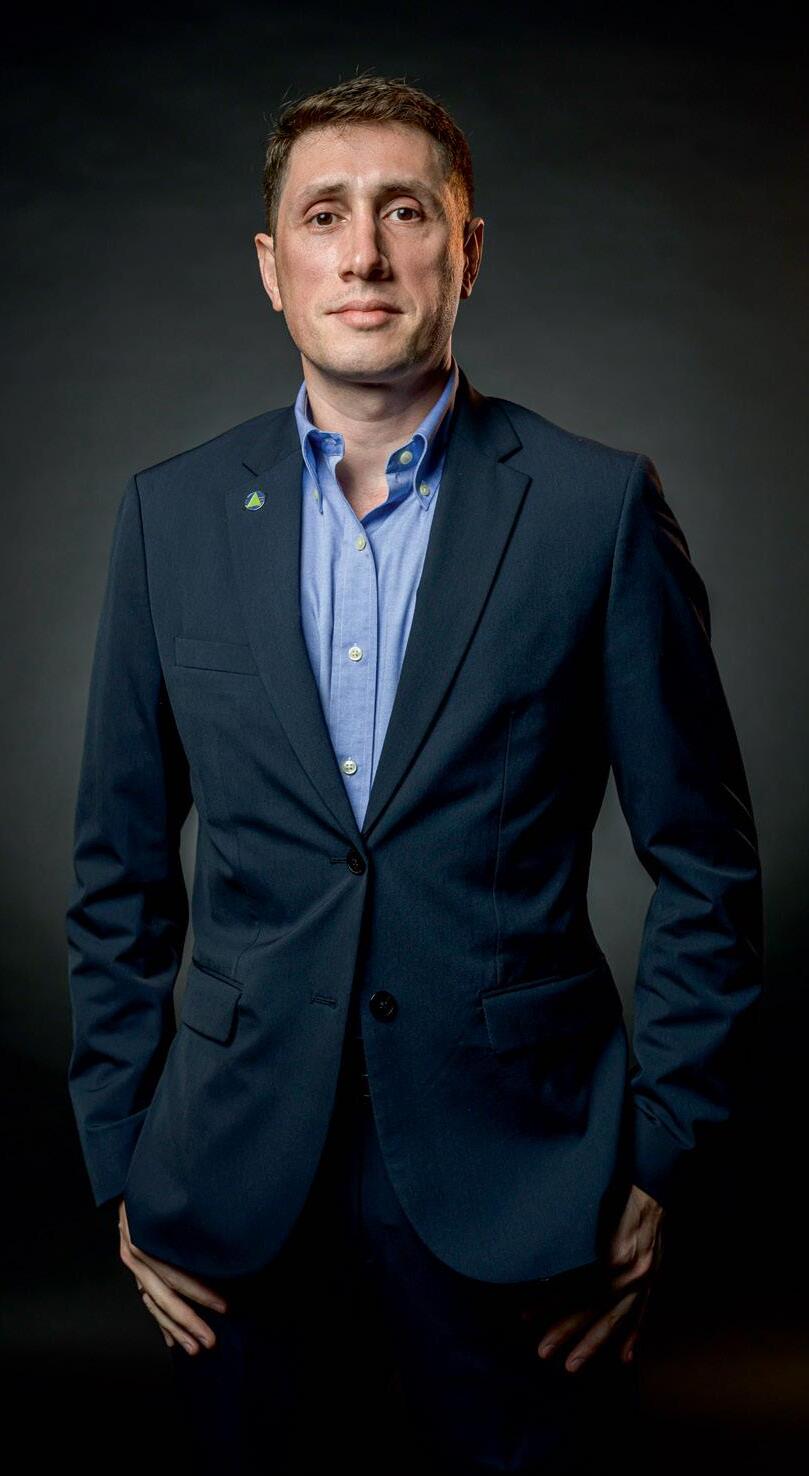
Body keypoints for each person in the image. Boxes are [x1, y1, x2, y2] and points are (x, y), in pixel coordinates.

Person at [65, 73, 763, 1475]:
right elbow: (117, 874)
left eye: (405, 212)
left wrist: (659, 1154)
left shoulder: (593, 509)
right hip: (230, 1191)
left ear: (468, 249)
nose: (365, 254)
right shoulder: (171, 516)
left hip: (527, 1187)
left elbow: (706, 863)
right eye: (324, 216)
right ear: (273, 266)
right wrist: (124, 1156)